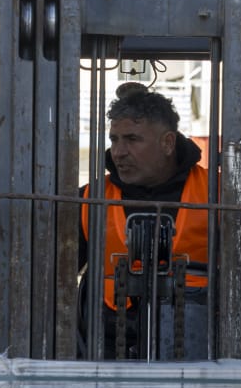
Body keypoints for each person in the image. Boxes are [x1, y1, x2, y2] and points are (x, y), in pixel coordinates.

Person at [80, 83, 213, 360]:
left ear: (167, 142)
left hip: (201, 356)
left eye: (132, 139)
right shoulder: (89, 199)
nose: (119, 152)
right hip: (104, 358)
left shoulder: (218, 195)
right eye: (114, 139)